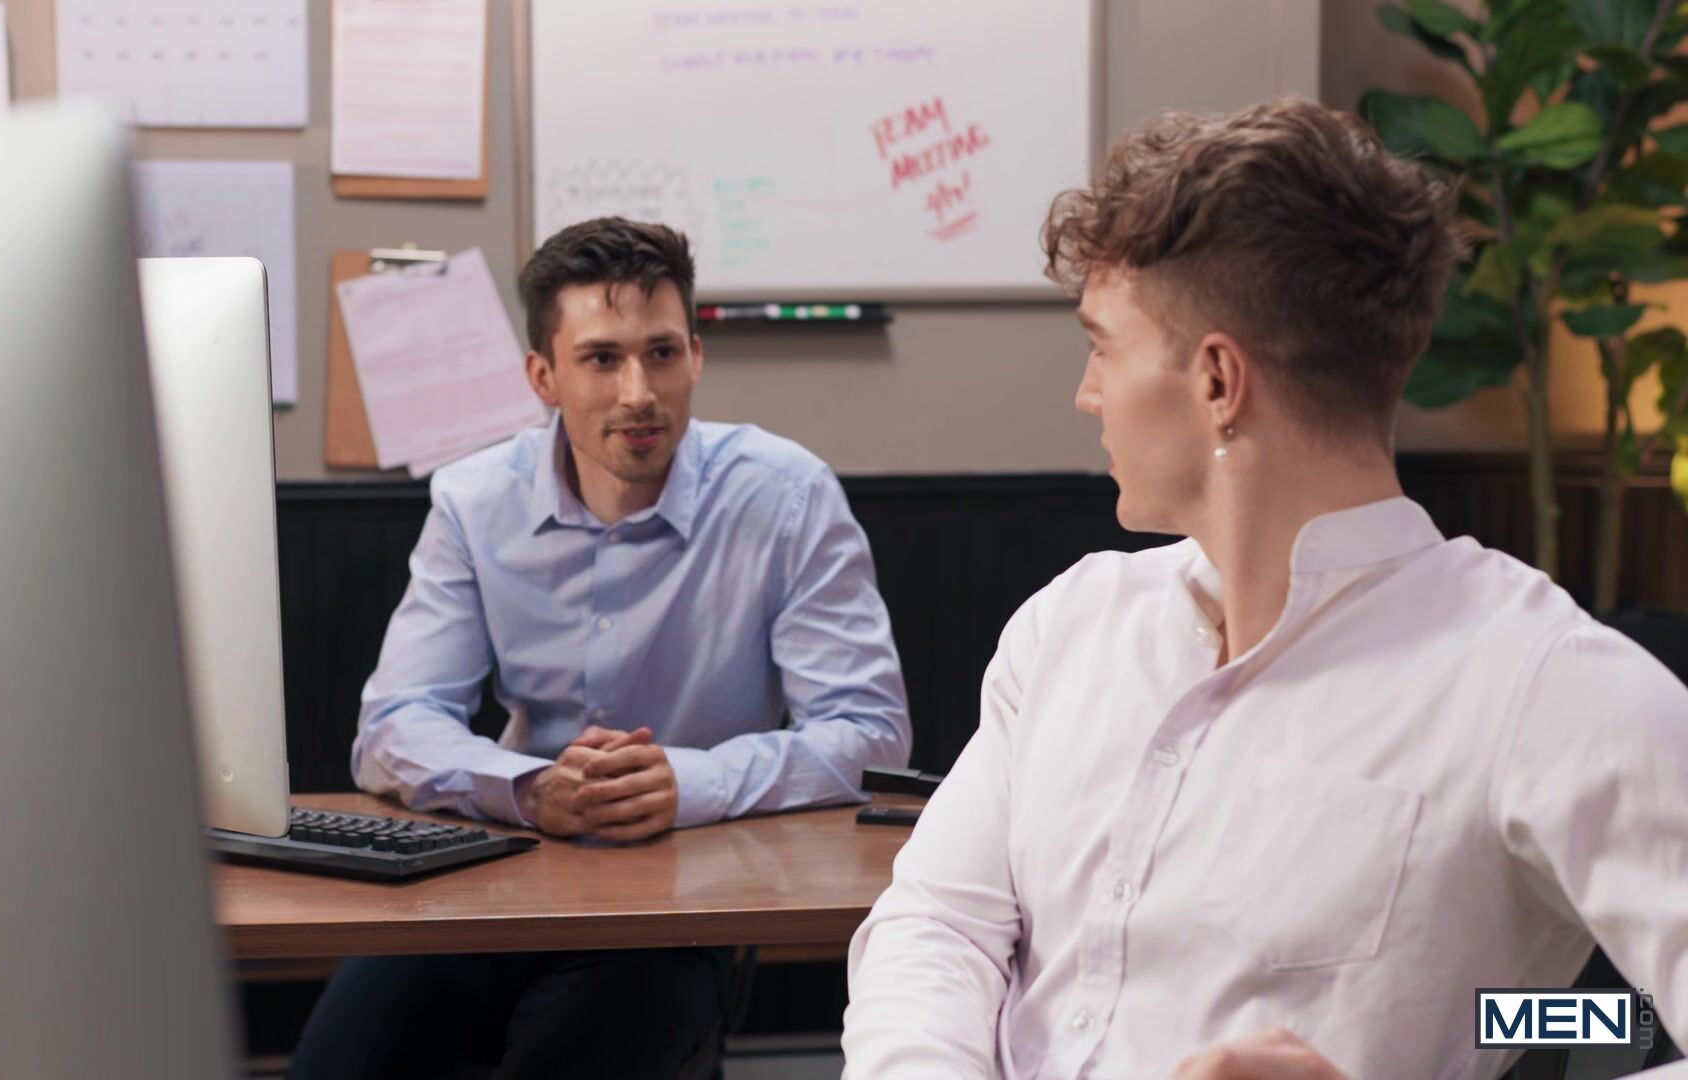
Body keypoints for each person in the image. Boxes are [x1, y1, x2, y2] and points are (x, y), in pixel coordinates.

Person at [842, 98, 1688, 1079]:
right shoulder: (1071, 626)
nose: (1086, 392)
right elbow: (938, 924)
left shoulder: (1543, 685)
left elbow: (1588, 1024)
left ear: (1217, 382)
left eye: (1102, 345)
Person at [289, 216, 911, 1079]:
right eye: (601, 359)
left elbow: (871, 733)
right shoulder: (475, 501)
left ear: (696, 356)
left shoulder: (786, 496)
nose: (638, 393)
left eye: (661, 353)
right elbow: (394, 725)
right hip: (496, 882)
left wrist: (692, 782)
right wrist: (530, 788)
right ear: (542, 377)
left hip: (681, 907)